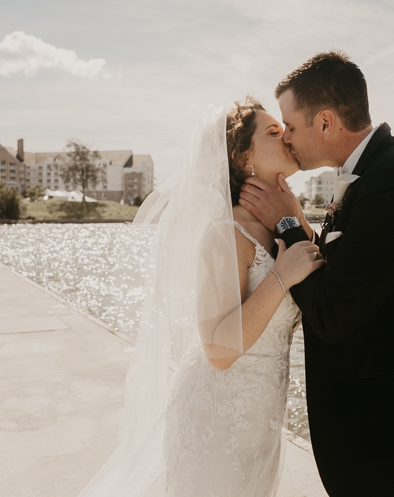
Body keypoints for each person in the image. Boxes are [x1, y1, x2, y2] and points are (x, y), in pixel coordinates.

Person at [240, 51, 394, 497]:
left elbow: (331, 311)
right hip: (377, 423)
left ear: (325, 123)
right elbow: (343, 269)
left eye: (290, 125)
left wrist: (287, 223)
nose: (286, 137)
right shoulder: (376, 170)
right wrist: (299, 223)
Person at [78, 98, 322, 497]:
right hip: (217, 421)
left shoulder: (283, 225)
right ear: (241, 157)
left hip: (260, 421)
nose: (288, 138)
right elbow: (218, 350)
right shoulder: (226, 234)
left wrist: (294, 214)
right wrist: (280, 276)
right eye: (274, 133)